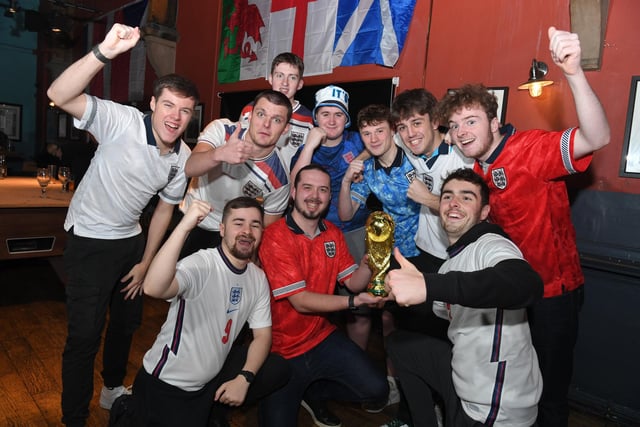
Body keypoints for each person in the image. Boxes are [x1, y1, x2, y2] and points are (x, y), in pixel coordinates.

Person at [436, 27, 611, 427]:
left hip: (553, 294)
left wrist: (574, 73)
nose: (462, 132)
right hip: (511, 290)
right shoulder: (478, 168)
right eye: (455, 126)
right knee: (518, 385)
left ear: (494, 122)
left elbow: (597, 136)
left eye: (471, 121)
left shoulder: (529, 149)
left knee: (550, 394)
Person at [46, 23, 198, 427]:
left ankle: (112, 388)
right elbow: (58, 95)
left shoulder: (183, 157)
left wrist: (146, 262)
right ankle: (73, 418)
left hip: (131, 242)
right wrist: (105, 52)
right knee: (84, 337)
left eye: (184, 110)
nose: (175, 117)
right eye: (169, 106)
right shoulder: (121, 121)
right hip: (90, 243)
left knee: (126, 325)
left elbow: (164, 211)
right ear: (153, 103)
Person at [385, 168, 544, 427]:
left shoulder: (490, 244)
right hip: (464, 378)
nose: (453, 203)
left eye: (467, 197)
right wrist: (391, 295)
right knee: (400, 344)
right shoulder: (451, 264)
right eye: (447, 196)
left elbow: (525, 284)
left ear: (483, 213)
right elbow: (441, 305)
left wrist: (427, 284)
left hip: (495, 408)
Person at [114, 197, 290, 427]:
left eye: (255, 224)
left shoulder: (257, 278)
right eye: (238, 223)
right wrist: (185, 225)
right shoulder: (202, 264)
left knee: (278, 369)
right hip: (168, 387)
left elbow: (263, 336)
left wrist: (244, 378)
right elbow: (152, 287)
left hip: (210, 380)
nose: (247, 231)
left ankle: (214, 411)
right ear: (222, 229)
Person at [258, 164, 388, 427]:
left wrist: (369, 262)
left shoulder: (333, 233)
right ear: (293, 192)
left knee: (377, 390)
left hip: (320, 337)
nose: (314, 196)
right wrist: (354, 302)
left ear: (330, 197)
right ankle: (297, 389)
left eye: (323, 190)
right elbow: (301, 301)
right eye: (307, 188)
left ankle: (314, 393)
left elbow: (352, 283)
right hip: (280, 350)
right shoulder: (275, 237)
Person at [290, 85, 372, 352]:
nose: (331, 121)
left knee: (358, 307)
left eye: (338, 115)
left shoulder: (357, 140)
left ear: (346, 119)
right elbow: (294, 187)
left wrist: (358, 160)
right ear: (316, 118)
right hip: (317, 233)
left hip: (355, 230)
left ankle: (355, 364)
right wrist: (310, 146)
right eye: (325, 114)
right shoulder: (307, 149)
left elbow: (382, 144)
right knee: (315, 303)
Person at [179, 89, 292, 257]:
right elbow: (190, 168)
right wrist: (219, 154)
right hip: (192, 222)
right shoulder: (223, 130)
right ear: (251, 116)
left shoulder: (280, 179)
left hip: (232, 238)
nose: (266, 125)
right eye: (261, 114)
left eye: (276, 120)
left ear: (285, 129)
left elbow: (263, 230)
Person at [239, 52, 314, 168]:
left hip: (285, 183)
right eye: (279, 75)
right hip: (248, 177)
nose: (285, 83)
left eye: (292, 77)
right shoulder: (250, 110)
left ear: (300, 84)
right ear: (270, 78)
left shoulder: (308, 119)